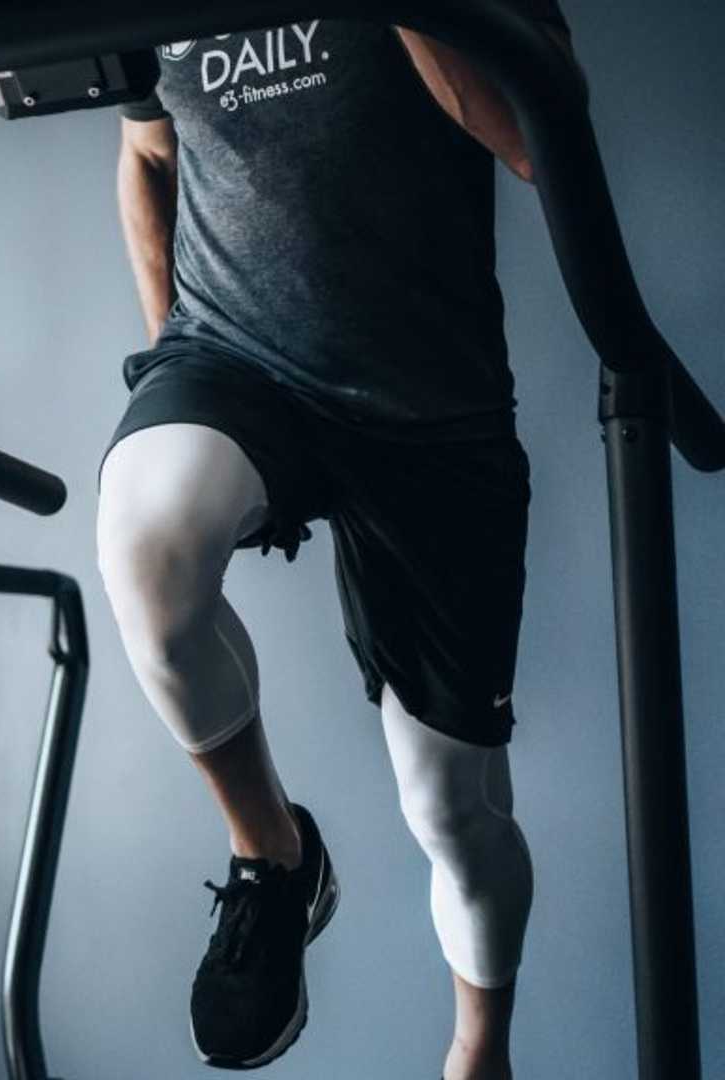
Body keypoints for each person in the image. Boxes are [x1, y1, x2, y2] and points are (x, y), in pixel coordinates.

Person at [98, 10, 574, 1079]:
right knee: (146, 544)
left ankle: (478, 1050)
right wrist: (173, 352)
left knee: (451, 805)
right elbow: (145, 146)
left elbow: (535, 138)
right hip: (236, 361)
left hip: (429, 405)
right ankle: (273, 854)